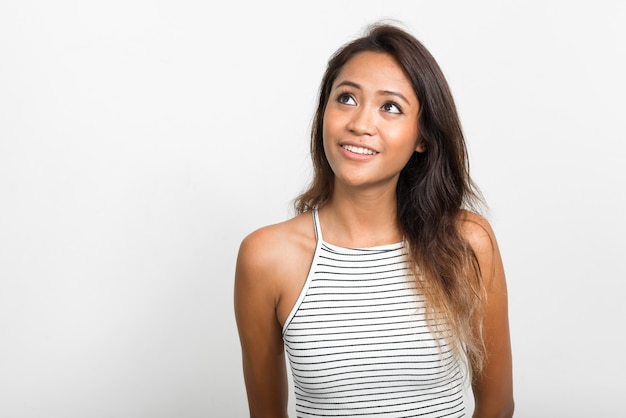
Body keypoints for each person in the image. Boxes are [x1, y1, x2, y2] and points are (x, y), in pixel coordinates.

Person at [234, 21, 514, 418]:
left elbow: (498, 406)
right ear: (323, 114)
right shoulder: (265, 257)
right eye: (346, 98)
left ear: (423, 137)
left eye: (391, 107)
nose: (361, 124)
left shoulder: (466, 241)